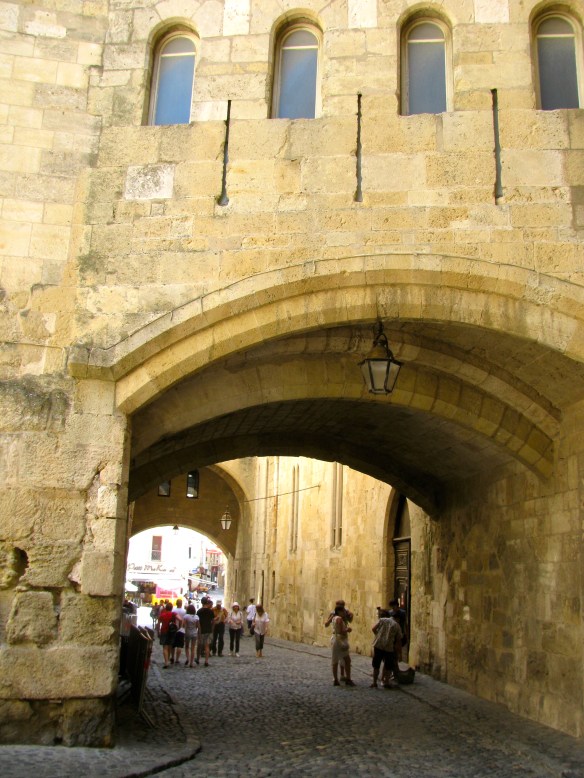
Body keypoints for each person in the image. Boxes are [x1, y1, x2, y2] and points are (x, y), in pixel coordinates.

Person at [370, 609, 402, 688]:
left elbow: (373, 628)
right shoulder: (397, 625)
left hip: (378, 645)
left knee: (376, 665)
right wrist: (399, 653)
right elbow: (398, 640)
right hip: (388, 647)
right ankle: (386, 681)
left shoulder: (382, 620)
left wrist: (378, 636)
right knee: (388, 665)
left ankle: (374, 682)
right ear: (398, 618)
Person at [324, 599, 353, 682]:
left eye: (342, 605)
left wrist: (351, 615)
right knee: (342, 658)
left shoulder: (345, 612)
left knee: (340, 658)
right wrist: (346, 629)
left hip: (341, 637)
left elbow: (350, 620)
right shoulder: (334, 614)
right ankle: (342, 677)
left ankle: (341, 676)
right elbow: (326, 624)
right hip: (339, 636)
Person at [330, 604, 354, 686]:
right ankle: (348, 679)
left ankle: (335, 679)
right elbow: (341, 631)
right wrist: (347, 629)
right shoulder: (339, 619)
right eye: (343, 611)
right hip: (340, 641)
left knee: (335, 660)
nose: (344, 613)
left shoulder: (334, 618)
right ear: (339, 611)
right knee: (347, 660)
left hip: (334, 639)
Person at [157, 602, 177, 669]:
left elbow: (158, 624)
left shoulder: (162, 615)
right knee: (169, 646)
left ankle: (166, 662)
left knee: (165, 647)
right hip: (171, 632)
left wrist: (158, 631)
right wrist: (178, 627)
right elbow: (180, 619)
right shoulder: (173, 614)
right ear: (172, 608)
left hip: (164, 631)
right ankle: (168, 659)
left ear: (166, 608)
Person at [196, 597, 214, 667]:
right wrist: (212, 628)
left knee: (199, 645)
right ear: (207, 602)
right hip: (208, 629)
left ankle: (198, 659)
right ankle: (206, 661)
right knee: (207, 646)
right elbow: (213, 621)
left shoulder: (199, 611)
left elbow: (197, 621)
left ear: (201, 602)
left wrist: (198, 629)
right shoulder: (210, 611)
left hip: (201, 629)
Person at [172, 598, 186, 665]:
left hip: (174, 629)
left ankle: (172, 657)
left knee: (173, 645)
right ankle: (177, 659)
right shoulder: (184, 611)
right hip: (181, 629)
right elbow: (185, 621)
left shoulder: (173, 610)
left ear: (176, 603)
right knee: (179, 645)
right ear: (181, 604)